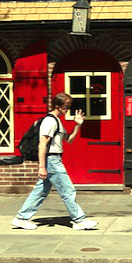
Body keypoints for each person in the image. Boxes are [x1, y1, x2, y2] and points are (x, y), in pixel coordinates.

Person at [11, 92, 98, 230]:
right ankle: (79, 220)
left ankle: (21, 218)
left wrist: (78, 125)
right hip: (52, 160)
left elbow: (68, 139)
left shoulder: (57, 121)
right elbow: (42, 144)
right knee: (68, 190)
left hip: (52, 159)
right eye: (65, 106)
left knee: (40, 191)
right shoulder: (50, 121)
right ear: (57, 105)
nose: (67, 109)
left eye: (68, 106)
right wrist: (42, 167)